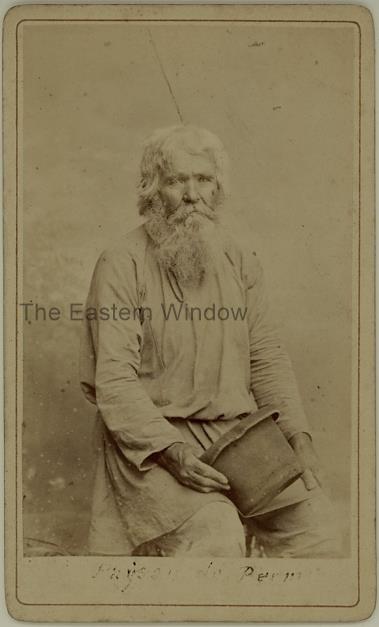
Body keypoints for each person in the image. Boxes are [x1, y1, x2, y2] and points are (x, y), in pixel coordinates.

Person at [80, 125, 340, 558]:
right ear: (152, 191)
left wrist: (299, 438)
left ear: (218, 189)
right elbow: (115, 381)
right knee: (215, 536)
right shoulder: (120, 263)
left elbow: (267, 358)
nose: (192, 194)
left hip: (238, 438)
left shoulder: (239, 259)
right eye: (176, 180)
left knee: (319, 535)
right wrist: (172, 451)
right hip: (152, 443)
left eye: (204, 179)